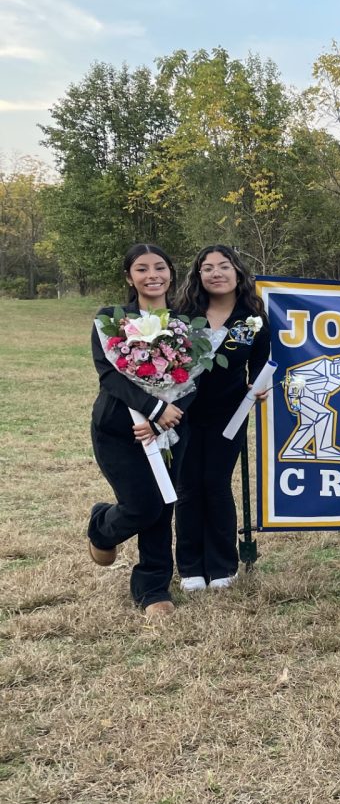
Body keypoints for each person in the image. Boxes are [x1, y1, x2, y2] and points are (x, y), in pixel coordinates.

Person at [87, 244, 190, 618]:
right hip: (118, 430)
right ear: (129, 277)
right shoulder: (110, 320)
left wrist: (168, 416)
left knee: (164, 507)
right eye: (142, 269)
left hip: (171, 431)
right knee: (141, 505)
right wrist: (153, 409)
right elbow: (110, 375)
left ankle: (153, 587)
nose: (153, 275)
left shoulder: (184, 324)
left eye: (160, 267)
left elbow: (194, 380)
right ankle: (102, 527)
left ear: (170, 273)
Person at [175, 245, 271, 593]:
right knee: (187, 488)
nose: (216, 273)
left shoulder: (253, 318)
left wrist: (259, 386)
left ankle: (221, 566)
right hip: (181, 414)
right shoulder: (183, 315)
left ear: (237, 272)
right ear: (198, 275)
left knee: (215, 485)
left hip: (229, 415)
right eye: (207, 267)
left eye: (223, 266)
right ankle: (189, 567)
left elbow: (261, 362)